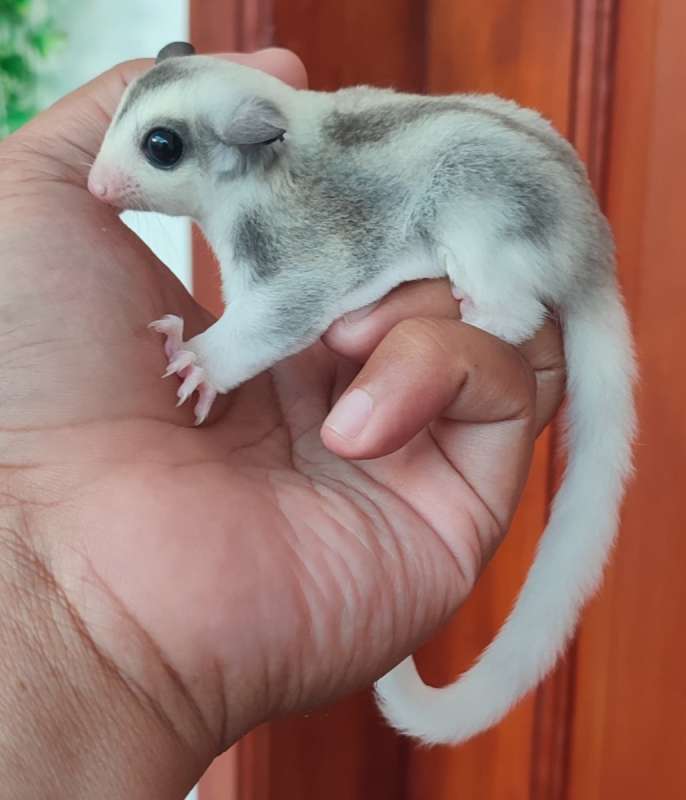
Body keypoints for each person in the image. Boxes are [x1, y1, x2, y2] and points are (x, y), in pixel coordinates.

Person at [0, 49, 564, 797]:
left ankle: (502, 302)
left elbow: (293, 298)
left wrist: (214, 359)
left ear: (241, 148)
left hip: (503, 204)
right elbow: (284, 294)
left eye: (159, 150)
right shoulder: (255, 173)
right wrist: (94, 643)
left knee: (457, 252)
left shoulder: (269, 185)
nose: (106, 182)